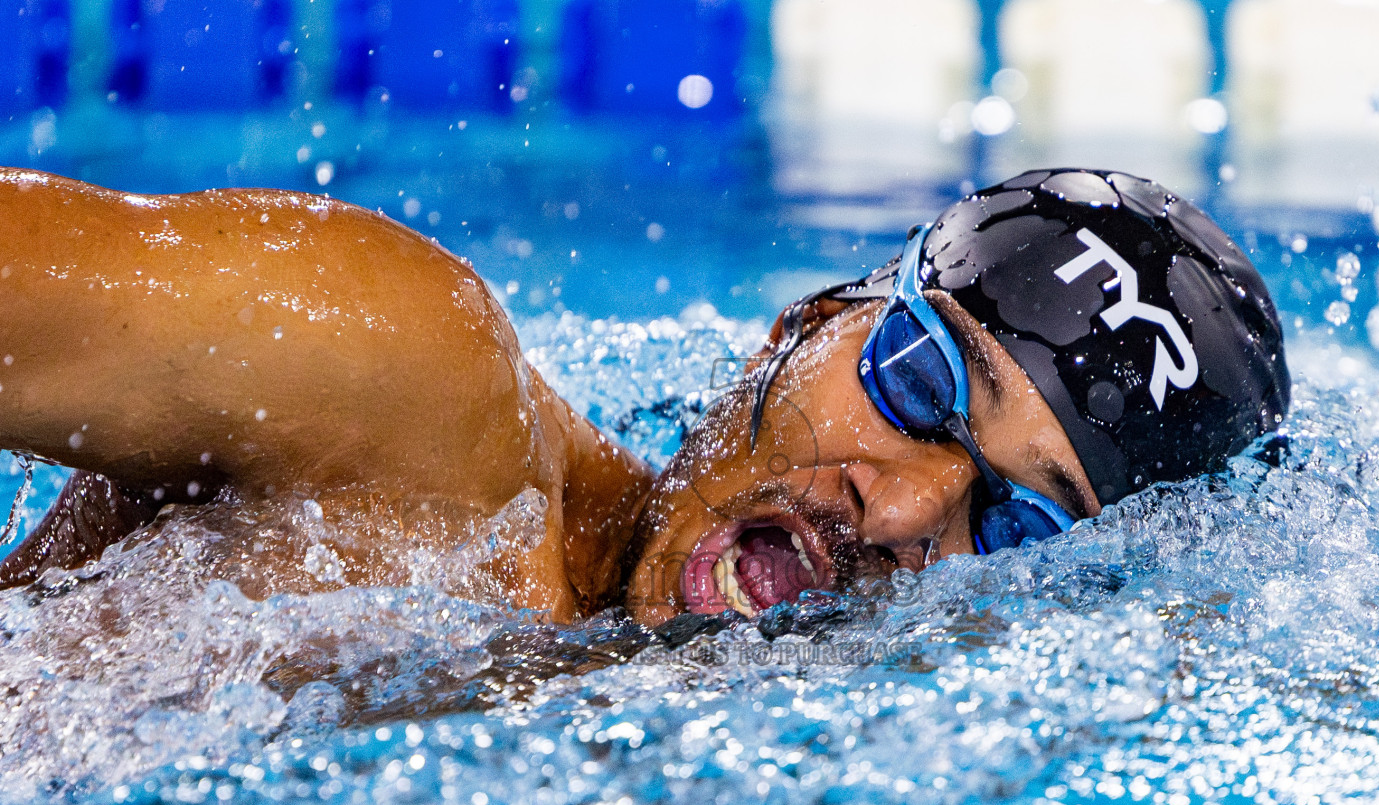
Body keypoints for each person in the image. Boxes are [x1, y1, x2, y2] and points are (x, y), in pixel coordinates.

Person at [0, 167, 1288, 629]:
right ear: (806, 325)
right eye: (920, 383)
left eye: (1012, 523)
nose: (900, 510)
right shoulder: (402, 385)